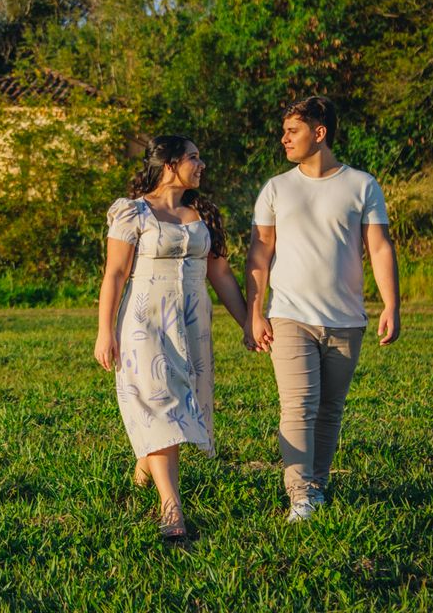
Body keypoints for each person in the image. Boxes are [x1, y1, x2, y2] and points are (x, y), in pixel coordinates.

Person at [246, 96, 400, 523]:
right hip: (289, 315)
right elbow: (259, 253)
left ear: (320, 133)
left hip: (347, 320)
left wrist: (392, 304)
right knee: (298, 405)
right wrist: (253, 312)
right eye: (283, 131)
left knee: (330, 409)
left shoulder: (362, 185)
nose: (284, 139)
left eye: (292, 131)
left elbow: (379, 247)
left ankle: (317, 486)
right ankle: (299, 496)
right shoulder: (276, 188)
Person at [94, 135, 252, 542]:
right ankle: (172, 508)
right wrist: (104, 331)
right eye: (194, 158)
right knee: (161, 402)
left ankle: (145, 466)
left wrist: (248, 321)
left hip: (192, 324)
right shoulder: (133, 212)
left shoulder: (202, 213)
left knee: (184, 405)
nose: (201, 165)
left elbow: (221, 275)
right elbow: (114, 273)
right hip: (144, 322)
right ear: (169, 165)